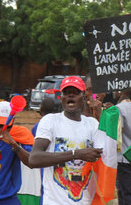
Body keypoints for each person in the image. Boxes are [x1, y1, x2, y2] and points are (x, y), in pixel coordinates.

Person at [29, 76, 105, 204]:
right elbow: (34, 159)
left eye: (75, 93)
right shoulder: (50, 121)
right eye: (66, 92)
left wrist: (101, 115)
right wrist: (76, 154)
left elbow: (107, 157)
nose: (71, 96)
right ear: (61, 97)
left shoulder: (92, 124)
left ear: (84, 96)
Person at [18, 98, 58, 205]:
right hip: (55, 161)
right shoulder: (58, 124)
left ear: (41, 110)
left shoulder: (38, 126)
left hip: (42, 163)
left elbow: (32, 145)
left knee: (43, 189)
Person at [113, 89, 131, 205]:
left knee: (125, 192)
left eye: (115, 91)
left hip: (122, 156)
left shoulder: (119, 109)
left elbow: (119, 132)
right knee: (128, 189)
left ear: (121, 92)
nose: (113, 93)